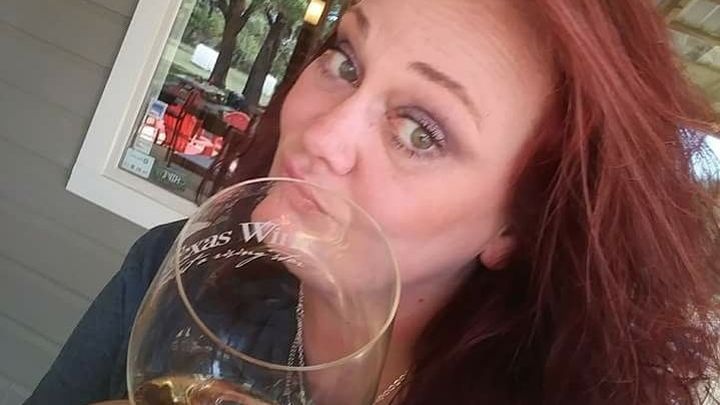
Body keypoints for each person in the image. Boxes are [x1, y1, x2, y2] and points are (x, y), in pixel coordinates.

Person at [26, 0, 720, 404]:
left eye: (420, 131)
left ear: (516, 227)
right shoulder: (174, 271)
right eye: (346, 62)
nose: (321, 135)